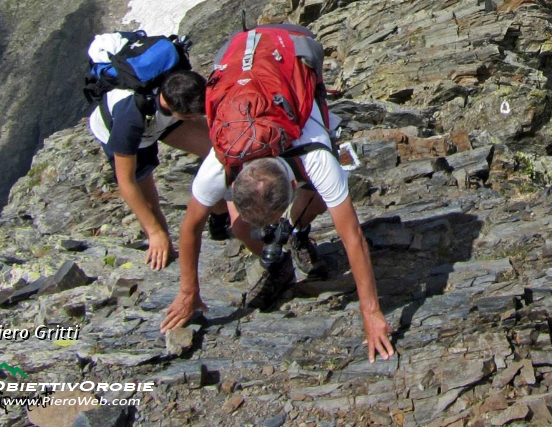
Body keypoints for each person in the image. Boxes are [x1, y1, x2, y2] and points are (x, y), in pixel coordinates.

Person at [160, 26, 394, 362]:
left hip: (288, 58)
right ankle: (281, 263)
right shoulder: (221, 158)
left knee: (315, 203)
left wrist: (371, 312)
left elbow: (353, 237)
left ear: (290, 189)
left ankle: (300, 232)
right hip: (250, 72)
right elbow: (191, 225)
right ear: (234, 181)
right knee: (241, 229)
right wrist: (187, 292)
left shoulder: (315, 159)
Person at [88, 68, 228, 270]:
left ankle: (220, 218)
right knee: (148, 201)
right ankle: (163, 249)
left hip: (161, 119)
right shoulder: (129, 120)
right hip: (125, 131)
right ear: (177, 110)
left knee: (220, 152)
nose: (199, 117)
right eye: (193, 115)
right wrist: (155, 233)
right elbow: (126, 182)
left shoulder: (180, 84)